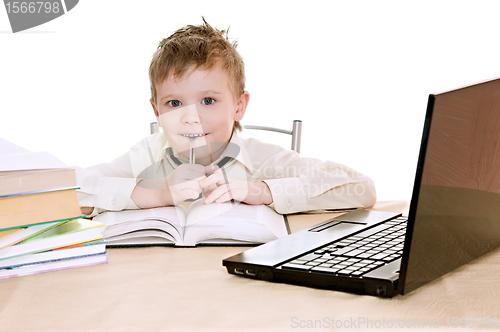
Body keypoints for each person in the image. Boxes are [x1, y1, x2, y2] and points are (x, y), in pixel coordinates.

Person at [76, 19, 376, 217]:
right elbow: (57, 191)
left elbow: (362, 188)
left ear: (239, 106)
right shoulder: (147, 155)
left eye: (208, 100)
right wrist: (153, 192)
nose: (191, 118)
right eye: (174, 103)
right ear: (157, 111)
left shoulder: (260, 159)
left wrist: (263, 190)